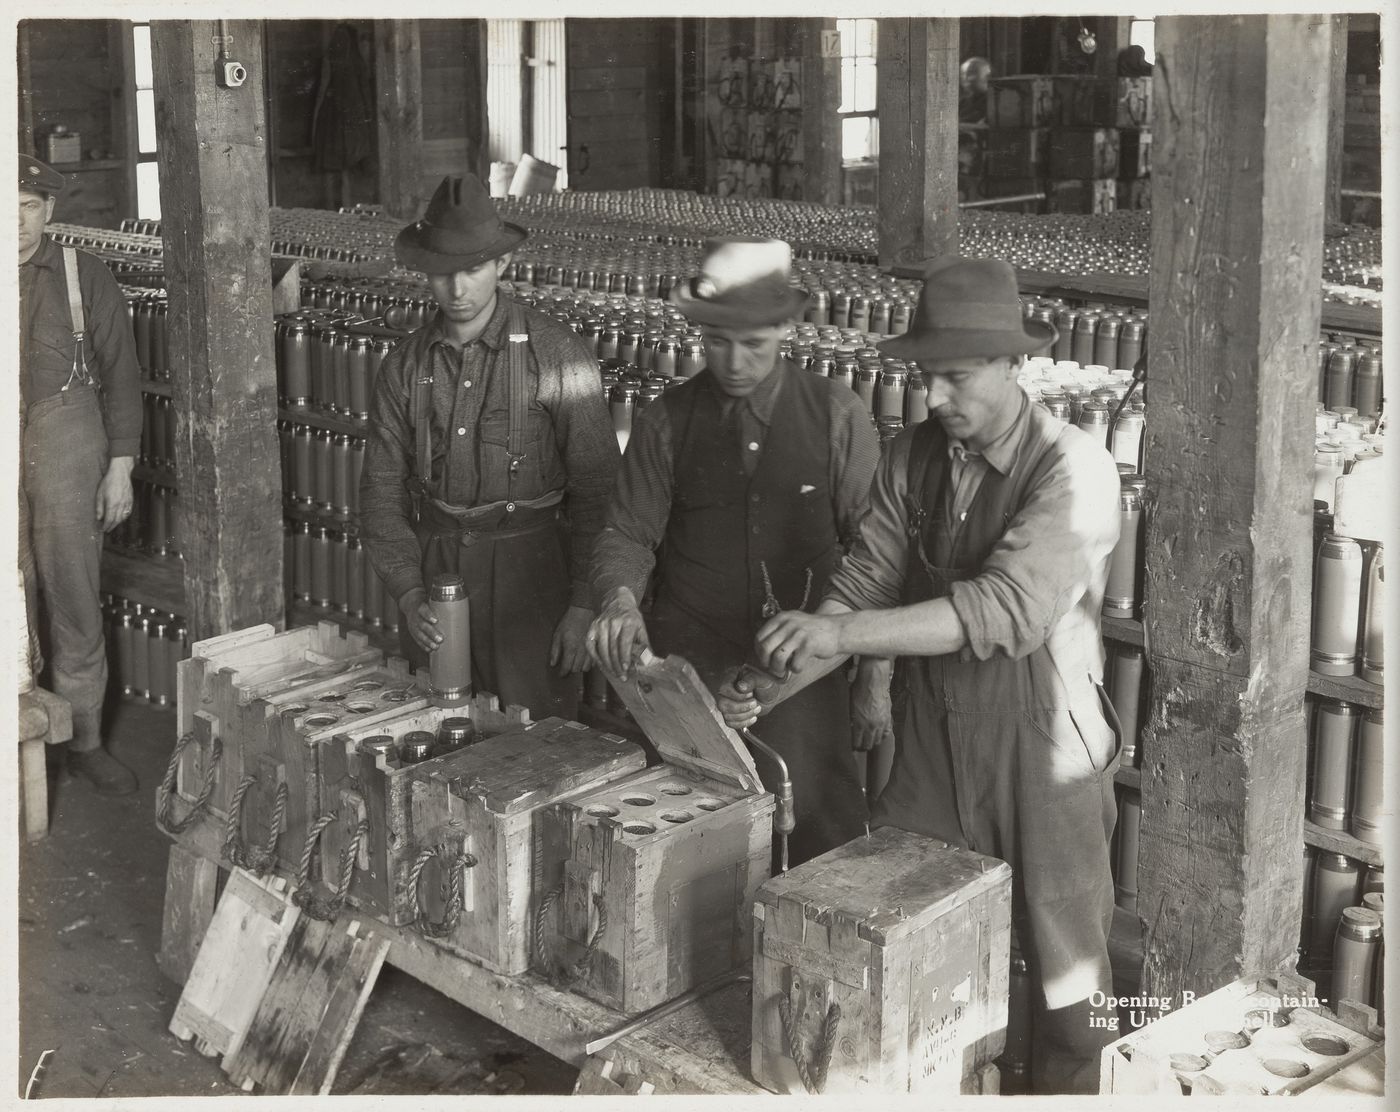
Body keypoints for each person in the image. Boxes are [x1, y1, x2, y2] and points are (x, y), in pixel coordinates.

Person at [724, 256, 1124, 1093]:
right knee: (912, 952)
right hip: (932, 744)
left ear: (1016, 365)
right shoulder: (915, 458)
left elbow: (1004, 611)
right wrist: (767, 689)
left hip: (1042, 751)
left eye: (956, 378)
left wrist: (836, 632)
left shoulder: (1073, 471)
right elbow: (867, 579)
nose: (935, 398)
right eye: (926, 377)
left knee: (1072, 996)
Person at [587, 238, 884, 869]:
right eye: (718, 341)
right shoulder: (665, 421)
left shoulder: (838, 415)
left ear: (783, 326)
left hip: (804, 677)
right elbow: (629, 532)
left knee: (815, 846)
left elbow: (874, 559)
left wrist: (875, 679)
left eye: (753, 343)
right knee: (698, 848)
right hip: (691, 674)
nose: (735, 360)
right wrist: (619, 599)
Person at [359, 173, 619, 719]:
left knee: (536, 743)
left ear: (501, 265)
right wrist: (408, 593)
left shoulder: (559, 356)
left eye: (472, 269)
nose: (457, 290)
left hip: (532, 575)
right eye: (442, 273)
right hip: (438, 570)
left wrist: (581, 604)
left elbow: (599, 491)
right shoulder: (404, 368)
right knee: (442, 731)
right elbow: (381, 492)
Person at [19, 153, 142, 795]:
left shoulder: (82, 274)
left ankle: (86, 741)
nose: (15, 222)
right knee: (14, 597)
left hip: (67, 440)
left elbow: (121, 373)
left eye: (29, 206)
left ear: (50, 211)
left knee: (72, 597)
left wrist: (119, 467)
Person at [959, 56, 992, 124]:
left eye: (971, 73)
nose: (966, 78)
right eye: (963, 74)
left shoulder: (994, 103)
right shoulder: (962, 102)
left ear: (987, 77)